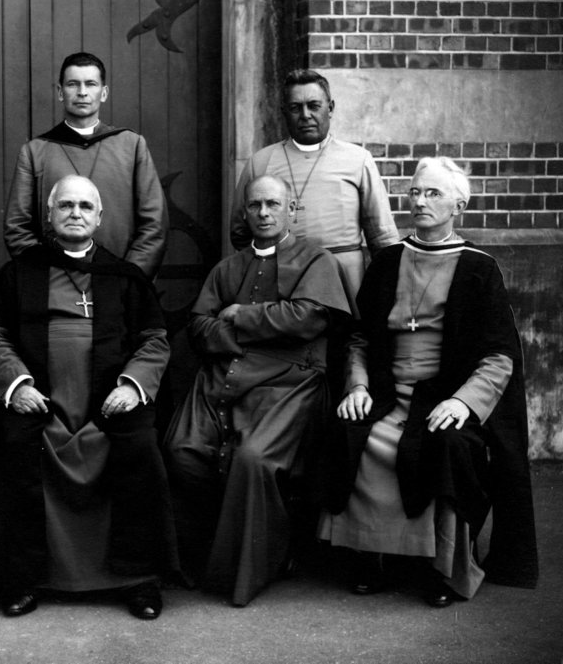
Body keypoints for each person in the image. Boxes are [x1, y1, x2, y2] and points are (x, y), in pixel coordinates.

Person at [318, 157, 538, 606]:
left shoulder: (479, 268)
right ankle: (370, 557)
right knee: (352, 431)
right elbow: (360, 338)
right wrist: (357, 386)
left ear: (459, 204)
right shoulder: (388, 261)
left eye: (433, 193)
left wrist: (462, 403)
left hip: (443, 395)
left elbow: (499, 357)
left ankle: (441, 568)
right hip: (384, 390)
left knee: (447, 445)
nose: (419, 201)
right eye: (416, 192)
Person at [0, 175, 177, 619]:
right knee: (12, 448)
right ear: (49, 215)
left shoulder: (125, 277)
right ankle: (24, 578)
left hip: (110, 401)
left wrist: (132, 384)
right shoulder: (19, 273)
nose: (75, 213)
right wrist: (17, 383)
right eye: (65, 205)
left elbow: (154, 338)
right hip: (40, 399)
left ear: (100, 217)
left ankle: (138, 579)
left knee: (141, 449)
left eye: (86, 206)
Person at [163, 174, 351, 606]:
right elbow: (199, 326)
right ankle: (199, 557)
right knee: (181, 449)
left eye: (272, 204)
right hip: (224, 376)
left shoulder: (315, 260)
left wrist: (240, 316)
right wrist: (247, 334)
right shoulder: (226, 268)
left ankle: (249, 568)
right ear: (245, 213)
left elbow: (310, 317)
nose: (263, 213)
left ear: (291, 210)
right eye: (254, 206)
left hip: (291, 381)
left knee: (253, 459)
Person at [229, 69, 398, 308]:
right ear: (284, 112)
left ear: (330, 107)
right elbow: (240, 232)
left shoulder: (358, 159)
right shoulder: (261, 161)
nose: (305, 115)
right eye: (296, 107)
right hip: (281, 281)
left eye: (314, 106)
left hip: (343, 279)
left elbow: (382, 239)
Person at [4, 52, 168, 279]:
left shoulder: (131, 146)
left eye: (90, 84)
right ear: (61, 92)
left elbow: (154, 225)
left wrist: (129, 278)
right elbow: (17, 228)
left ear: (104, 92)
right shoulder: (35, 151)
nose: (82, 92)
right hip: (55, 282)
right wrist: (47, 276)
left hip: (119, 279)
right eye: (73, 84)